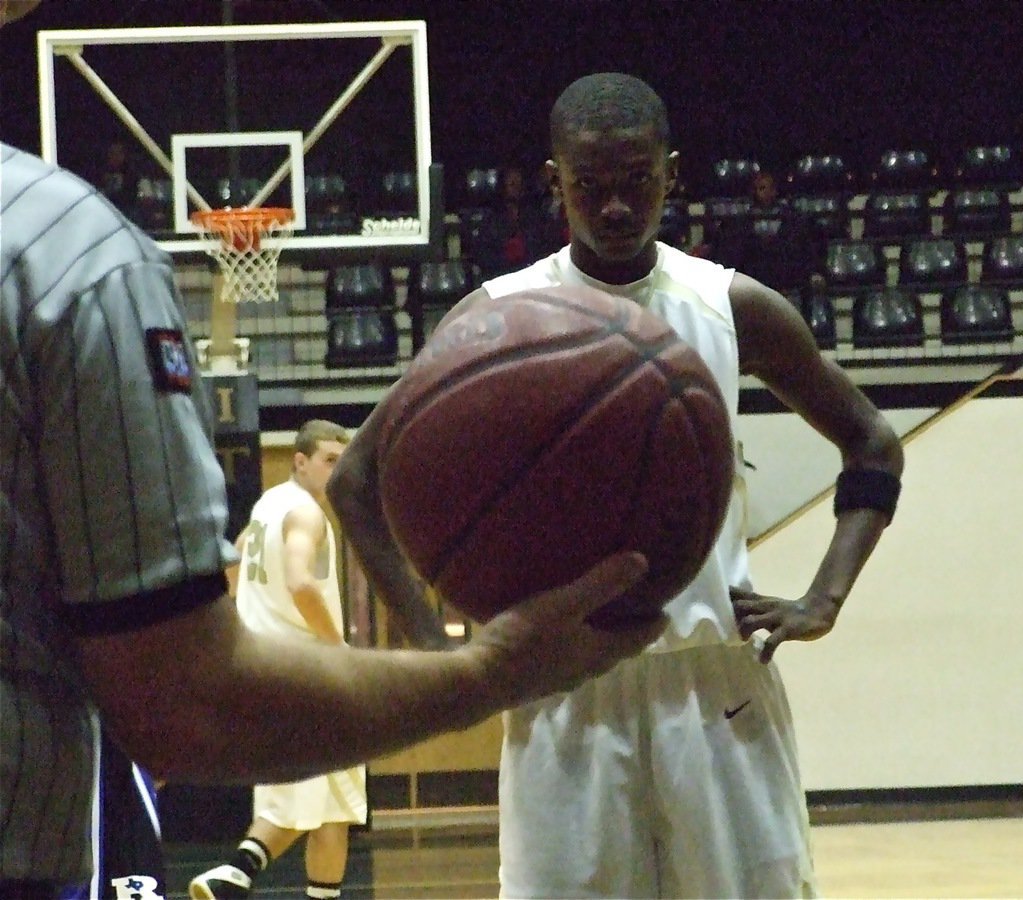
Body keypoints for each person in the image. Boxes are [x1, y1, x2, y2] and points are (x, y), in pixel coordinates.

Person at [0, 6, 666, 893]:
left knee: (291, 817)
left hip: (229, 671)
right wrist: (473, 667)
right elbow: (190, 696)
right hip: (231, 707)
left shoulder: (265, 507)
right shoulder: (65, 256)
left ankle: (243, 874)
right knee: (324, 813)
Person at [328, 72, 904, 899]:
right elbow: (355, 484)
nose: (615, 207)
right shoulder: (497, 318)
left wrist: (824, 600)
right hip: (561, 688)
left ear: (672, 173)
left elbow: (874, 443)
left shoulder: (733, 305)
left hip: (714, 688)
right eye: (590, 186)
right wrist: (432, 648)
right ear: (555, 180)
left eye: (636, 182)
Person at [190, 421, 362, 900]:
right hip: (311, 675)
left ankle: (234, 875)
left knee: (312, 802)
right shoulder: (306, 514)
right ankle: (238, 874)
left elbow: (233, 561)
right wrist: (338, 648)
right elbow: (301, 582)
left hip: (266, 672)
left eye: (340, 461)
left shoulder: (267, 505)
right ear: (300, 461)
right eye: (328, 460)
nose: (335, 470)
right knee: (333, 804)